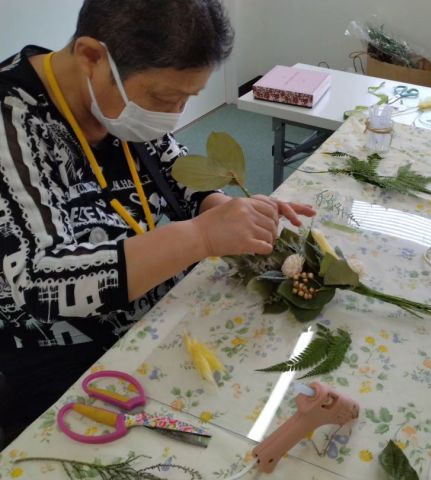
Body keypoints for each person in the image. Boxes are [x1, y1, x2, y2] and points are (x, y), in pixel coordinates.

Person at [0, 0, 314, 444]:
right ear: (91, 56)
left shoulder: (113, 103)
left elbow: (174, 169)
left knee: (259, 382)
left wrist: (219, 207)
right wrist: (202, 236)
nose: (176, 114)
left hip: (154, 302)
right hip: (64, 348)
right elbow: (40, 282)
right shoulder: (13, 125)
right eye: (166, 98)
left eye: (190, 96)